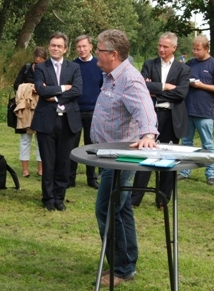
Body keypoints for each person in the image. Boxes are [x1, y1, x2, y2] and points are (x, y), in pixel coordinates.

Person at [91, 29, 158, 288]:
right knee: (121, 207)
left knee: (106, 208)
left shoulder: (129, 79)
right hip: (109, 155)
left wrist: (148, 134)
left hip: (122, 158)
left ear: (114, 54)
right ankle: (126, 263)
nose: (97, 53)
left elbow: (144, 108)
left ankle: (121, 269)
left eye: (100, 49)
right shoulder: (110, 76)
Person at [131, 32, 190, 207]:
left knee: (167, 157)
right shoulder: (149, 64)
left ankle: (163, 199)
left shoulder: (183, 69)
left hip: (172, 118)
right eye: (159, 45)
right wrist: (165, 86)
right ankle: (135, 198)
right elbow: (142, 86)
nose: (161, 49)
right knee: (145, 155)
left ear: (174, 48)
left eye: (165, 46)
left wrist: (155, 90)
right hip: (151, 116)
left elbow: (181, 93)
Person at [30, 32, 82, 212]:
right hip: (46, 121)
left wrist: (56, 97)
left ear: (65, 49)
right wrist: (61, 88)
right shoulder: (41, 67)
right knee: (48, 162)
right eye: (53, 45)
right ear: (49, 46)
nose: (55, 48)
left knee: (64, 162)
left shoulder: (74, 67)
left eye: (59, 46)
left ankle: (60, 197)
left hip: (69, 121)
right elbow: (40, 90)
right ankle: (48, 198)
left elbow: (77, 90)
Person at [177, 35, 214, 185]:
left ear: (206, 49)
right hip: (187, 109)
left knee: (207, 144)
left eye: (198, 49)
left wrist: (201, 86)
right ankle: (184, 171)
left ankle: (211, 173)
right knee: (186, 143)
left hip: (204, 112)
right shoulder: (190, 63)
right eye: (193, 49)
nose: (195, 52)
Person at [68, 35, 103, 189]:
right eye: (78, 47)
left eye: (84, 46)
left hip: (93, 111)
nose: (81, 50)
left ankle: (91, 178)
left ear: (91, 47)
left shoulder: (99, 64)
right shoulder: (71, 65)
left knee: (91, 146)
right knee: (72, 145)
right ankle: (70, 178)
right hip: (75, 110)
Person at [13, 47, 46, 178]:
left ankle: (41, 169)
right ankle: (25, 169)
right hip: (26, 108)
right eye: (36, 63)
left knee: (41, 139)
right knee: (25, 139)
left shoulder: (48, 70)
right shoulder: (26, 68)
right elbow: (16, 85)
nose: (38, 65)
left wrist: (40, 89)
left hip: (42, 107)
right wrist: (29, 88)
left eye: (41, 63)